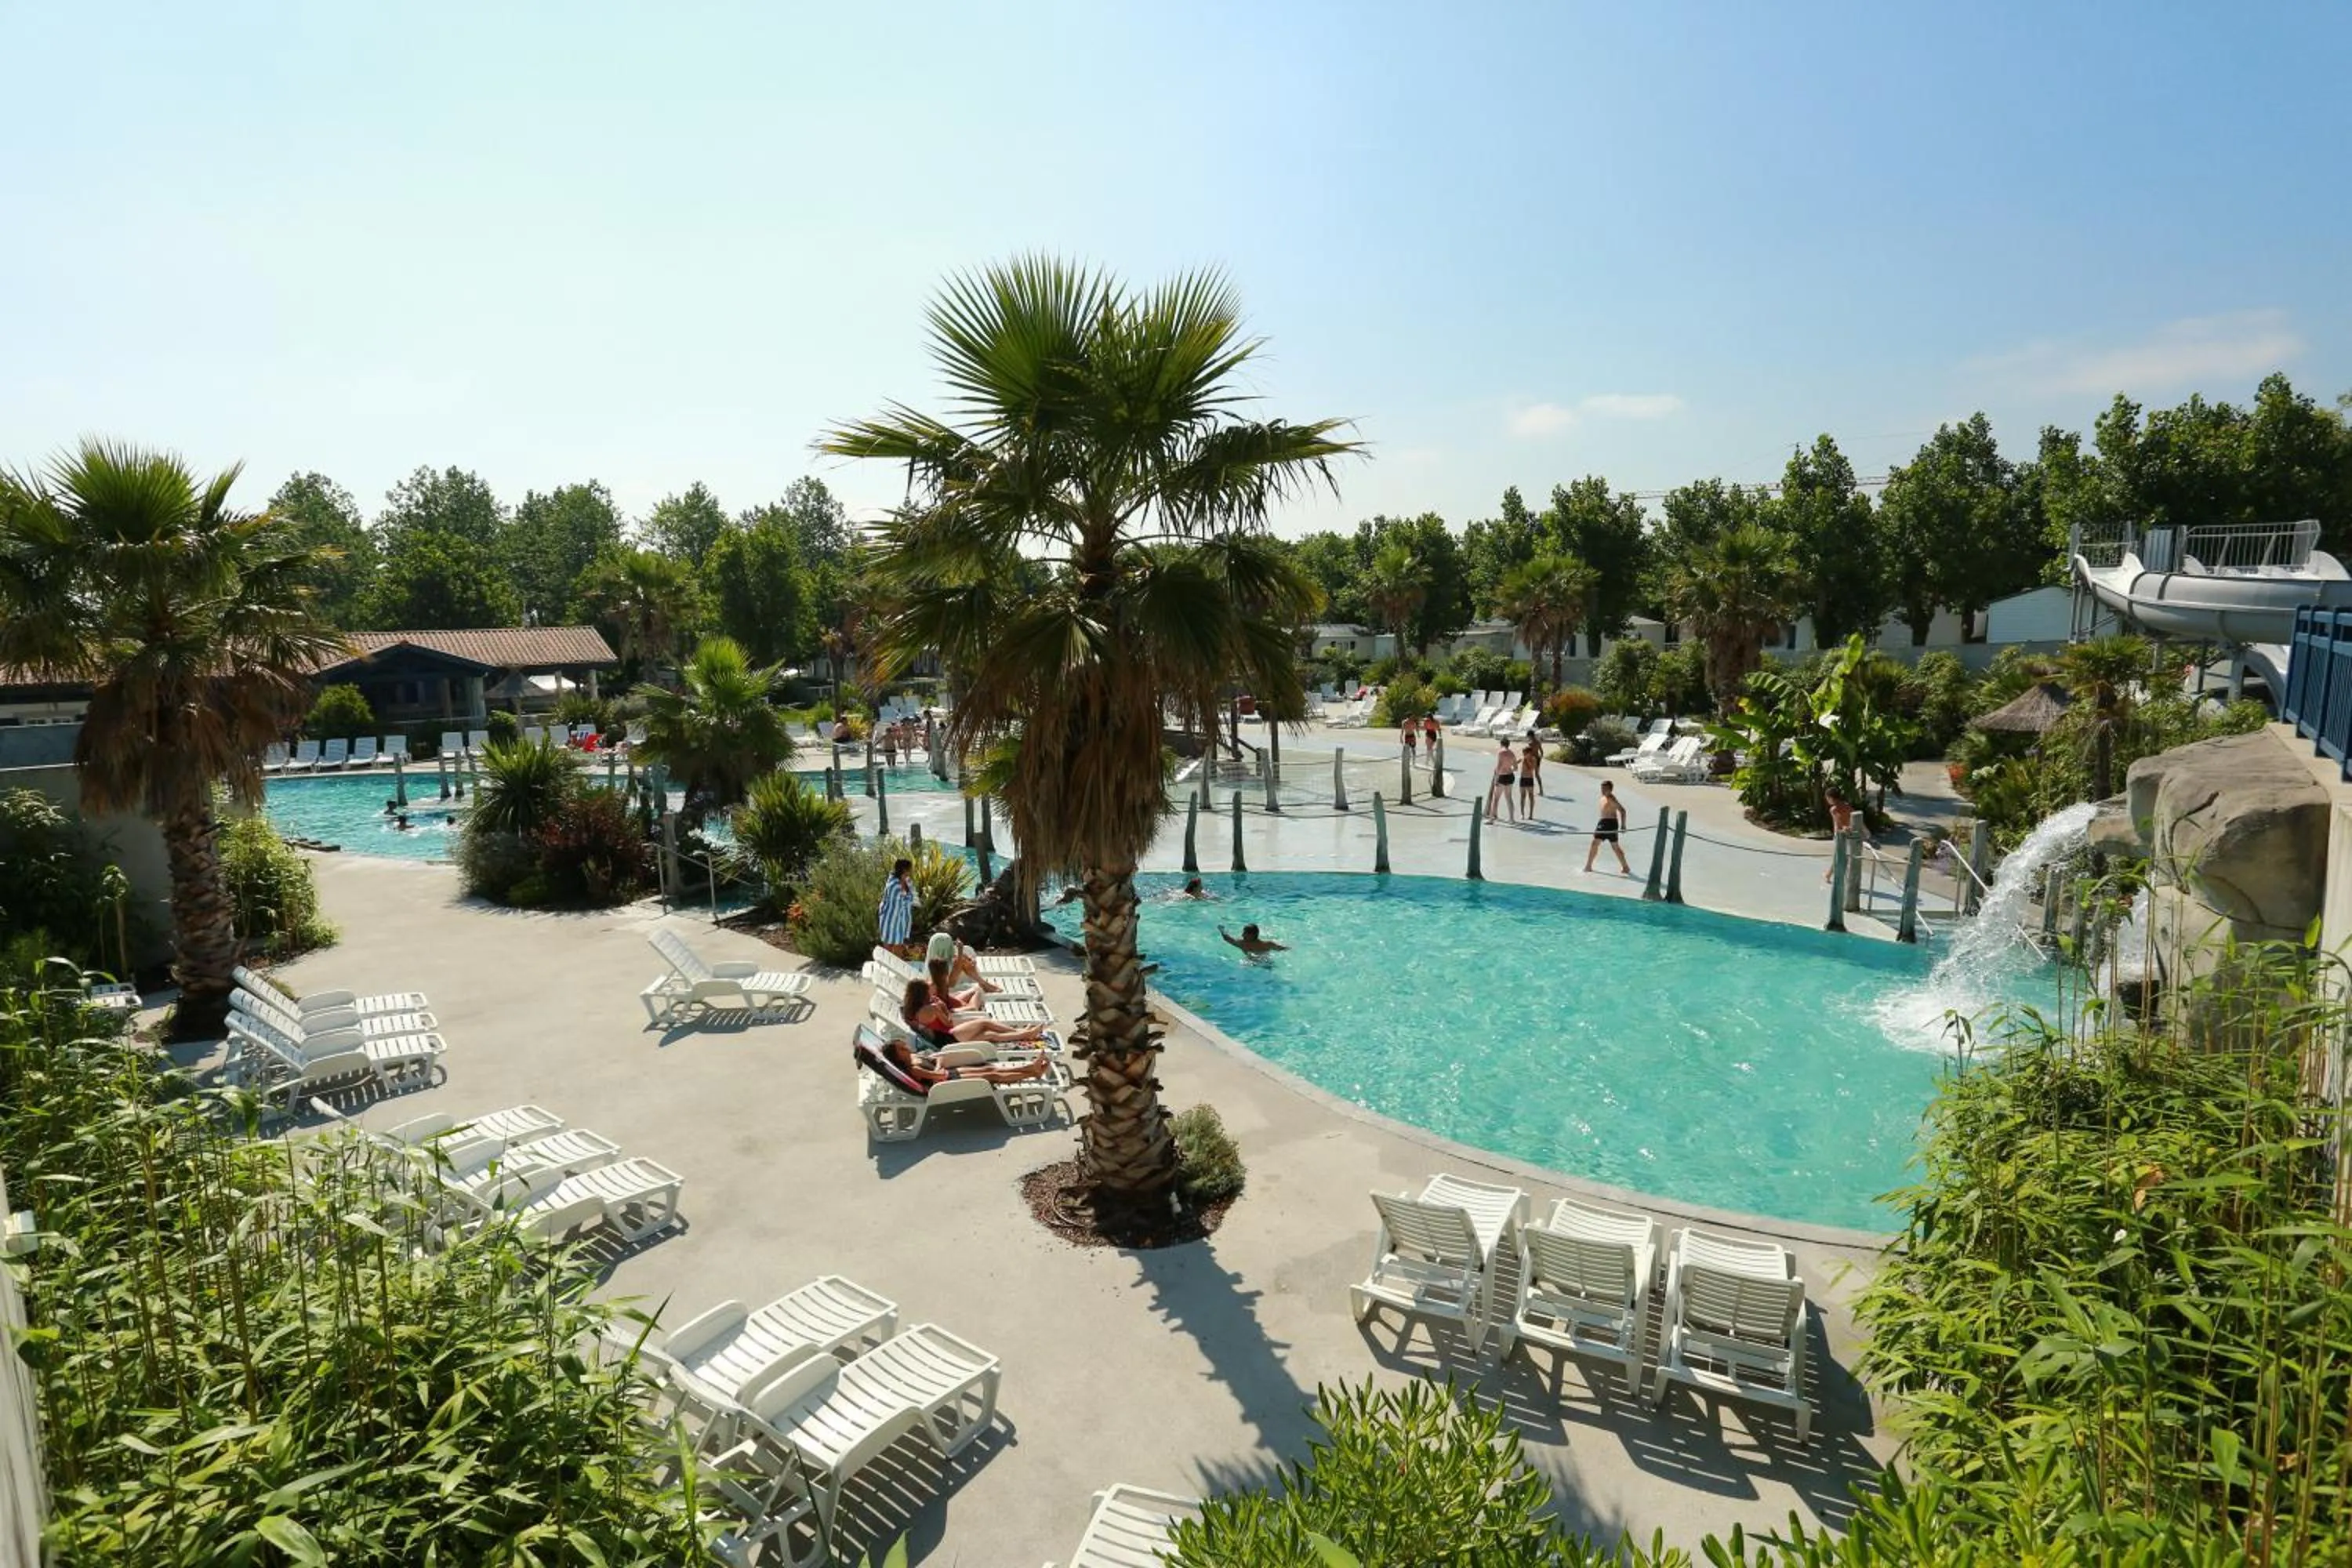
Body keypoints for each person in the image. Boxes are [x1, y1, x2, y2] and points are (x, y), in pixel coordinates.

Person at [871, 1027, 1054, 1089]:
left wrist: (938, 1063)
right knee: (993, 1075)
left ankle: (1031, 1068)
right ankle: (1032, 1072)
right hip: (947, 1082)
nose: (905, 1046)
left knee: (990, 1068)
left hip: (948, 1074)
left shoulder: (912, 1058)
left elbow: (937, 1061)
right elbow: (937, 1075)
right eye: (901, 1048)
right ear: (898, 1056)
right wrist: (939, 1064)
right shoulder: (914, 1069)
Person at [900, 978, 1045, 1046]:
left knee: (990, 1035)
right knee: (985, 1023)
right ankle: (1025, 1033)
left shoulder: (912, 1010)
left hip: (941, 1041)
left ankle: (1024, 1034)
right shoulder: (930, 1008)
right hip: (949, 1036)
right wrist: (941, 1006)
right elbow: (948, 1022)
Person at [925, 931, 1000, 996]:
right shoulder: (937, 964)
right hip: (948, 991)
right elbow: (951, 984)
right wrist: (960, 953)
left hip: (951, 987)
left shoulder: (934, 961)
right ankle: (984, 984)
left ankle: (984, 983)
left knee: (963, 961)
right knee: (977, 988)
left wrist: (965, 957)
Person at [1584, 779, 1632, 873]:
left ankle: (1588, 866)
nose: (1602, 790)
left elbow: (1623, 811)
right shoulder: (1603, 798)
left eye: (1605, 789)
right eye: (1602, 788)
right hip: (1603, 822)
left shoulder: (1611, 798)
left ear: (1610, 789)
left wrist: (1623, 826)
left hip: (1610, 823)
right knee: (1603, 845)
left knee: (1609, 845)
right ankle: (1625, 867)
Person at [877, 858, 916, 951]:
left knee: (898, 949)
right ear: (904, 870)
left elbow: (913, 896)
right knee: (888, 950)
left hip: (901, 921)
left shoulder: (907, 881)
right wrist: (910, 897)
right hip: (890, 920)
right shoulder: (893, 885)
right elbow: (901, 903)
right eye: (910, 869)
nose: (911, 871)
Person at [1823, 788, 1856, 884]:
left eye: (1827, 798)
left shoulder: (1834, 809)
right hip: (1849, 834)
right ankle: (1828, 875)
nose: (1827, 800)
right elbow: (1854, 817)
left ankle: (1830, 875)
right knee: (1840, 857)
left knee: (1839, 857)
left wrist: (1844, 828)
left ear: (1830, 798)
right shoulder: (1847, 806)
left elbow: (1838, 822)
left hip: (1840, 836)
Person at [1486, 739, 1518, 824]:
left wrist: (1496, 778)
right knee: (1509, 798)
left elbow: (1499, 766)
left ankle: (1491, 819)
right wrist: (1509, 769)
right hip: (1510, 776)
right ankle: (1511, 818)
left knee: (1496, 798)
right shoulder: (1512, 753)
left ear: (1501, 744)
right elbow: (1515, 768)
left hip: (1502, 776)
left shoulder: (1501, 753)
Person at [1219, 923, 1288, 958]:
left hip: (1265, 963)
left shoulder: (1267, 944)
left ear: (1252, 935)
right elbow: (1228, 939)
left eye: (1245, 934)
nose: (1242, 935)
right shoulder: (1242, 943)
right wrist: (1222, 930)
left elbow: (1283, 949)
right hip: (1249, 963)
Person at [1517, 735, 1543, 815]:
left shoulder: (1533, 759)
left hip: (1529, 779)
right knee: (1522, 796)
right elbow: (1515, 763)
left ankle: (1531, 814)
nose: (1524, 754)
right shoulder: (1523, 758)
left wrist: (1527, 760)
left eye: (1525, 753)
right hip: (1523, 778)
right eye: (1523, 753)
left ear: (1529, 753)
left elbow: (1531, 768)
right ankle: (1522, 813)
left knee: (1531, 796)